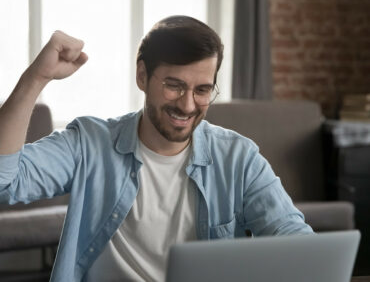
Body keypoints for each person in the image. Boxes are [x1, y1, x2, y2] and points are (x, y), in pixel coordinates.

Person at [0, 15, 313, 282]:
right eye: (174, 85)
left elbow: (294, 240)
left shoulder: (239, 158)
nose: (187, 105)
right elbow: (5, 181)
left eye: (202, 90)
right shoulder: (89, 143)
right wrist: (36, 77)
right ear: (142, 76)